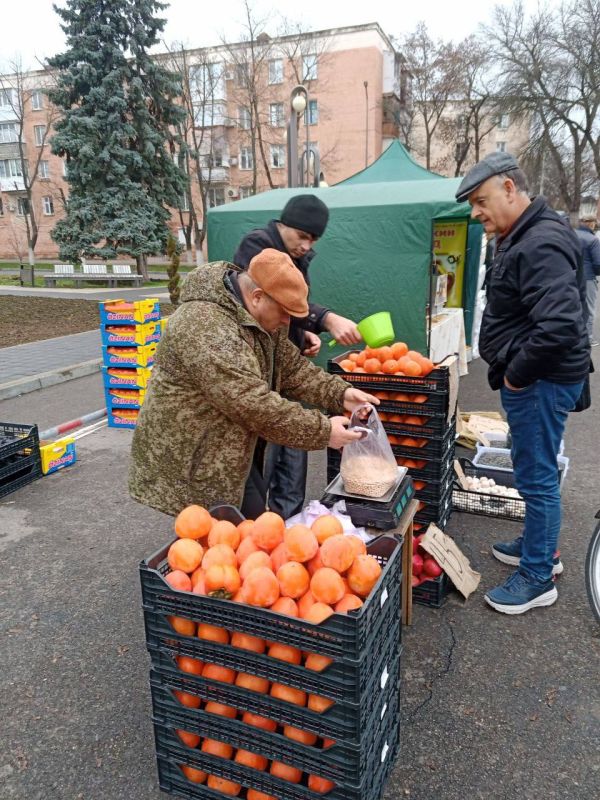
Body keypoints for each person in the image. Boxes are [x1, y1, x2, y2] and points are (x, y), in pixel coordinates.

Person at [128, 248, 377, 519]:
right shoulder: (204, 325)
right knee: (207, 541)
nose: (287, 322)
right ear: (257, 297)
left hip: (233, 449)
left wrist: (340, 394)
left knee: (249, 535)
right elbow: (250, 402)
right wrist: (323, 431)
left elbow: (292, 369)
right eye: (284, 313)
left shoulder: (258, 317)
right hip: (194, 455)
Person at [456, 152, 590, 615]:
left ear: (510, 189)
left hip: (539, 382)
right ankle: (539, 547)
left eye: (481, 200)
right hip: (538, 381)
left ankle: (537, 575)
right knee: (536, 469)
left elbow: (560, 326)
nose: (476, 213)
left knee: (535, 477)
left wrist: (515, 376)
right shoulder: (522, 235)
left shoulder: (539, 241)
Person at [233, 194, 362, 519]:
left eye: (313, 239)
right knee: (266, 458)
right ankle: (263, 527)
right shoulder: (259, 248)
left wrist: (301, 334)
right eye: (303, 236)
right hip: (260, 378)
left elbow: (285, 312)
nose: (306, 246)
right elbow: (265, 305)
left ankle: (286, 527)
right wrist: (326, 319)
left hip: (284, 367)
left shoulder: (295, 258)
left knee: (293, 461)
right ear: (285, 223)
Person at [575, 214, 600, 346]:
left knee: (575, 305)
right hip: (588, 278)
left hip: (572, 275)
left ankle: (574, 333)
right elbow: (598, 263)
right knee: (589, 308)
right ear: (591, 224)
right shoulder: (592, 239)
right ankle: (588, 337)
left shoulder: (571, 234)